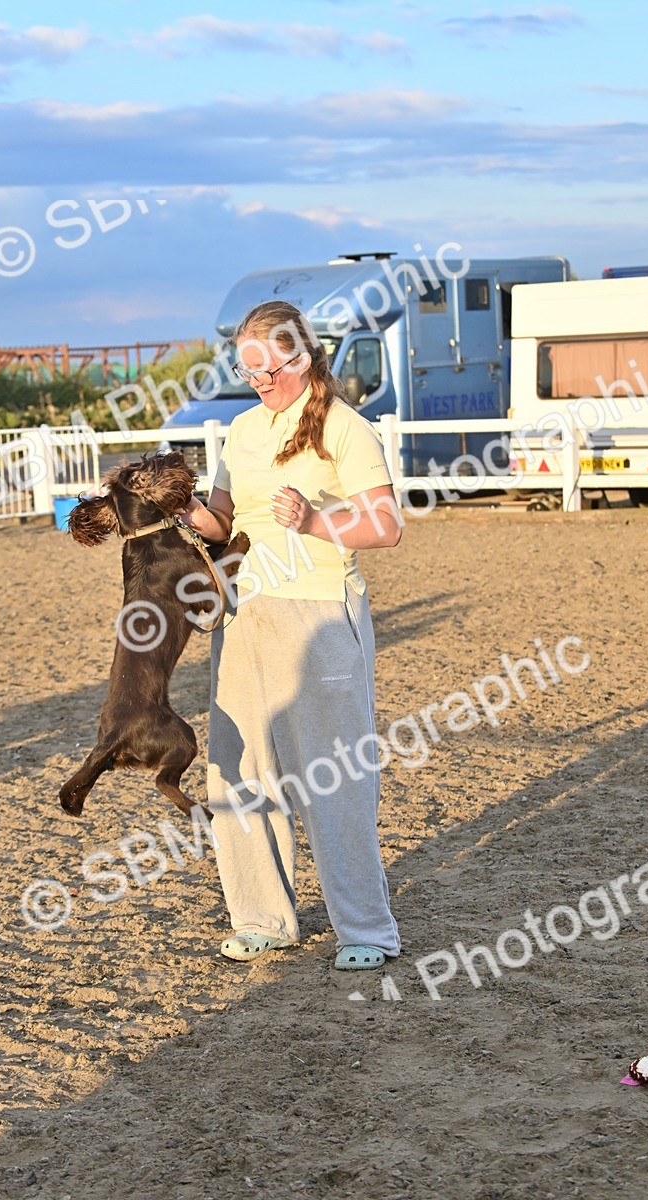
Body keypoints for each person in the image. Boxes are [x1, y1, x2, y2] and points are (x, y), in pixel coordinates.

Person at [178, 300, 401, 971]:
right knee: (240, 773)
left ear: (301, 357)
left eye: (270, 369)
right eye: (249, 373)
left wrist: (313, 522)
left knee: (334, 778)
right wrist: (171, 503)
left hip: (319, 619)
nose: (260, 382)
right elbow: (222, 522)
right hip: (244, 614)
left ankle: (366, 929)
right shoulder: (243, 430)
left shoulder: (343, 427)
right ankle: (263, 920)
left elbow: (386, 526)